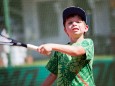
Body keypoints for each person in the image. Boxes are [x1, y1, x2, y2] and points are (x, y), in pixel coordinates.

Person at [37, 6, 95, 86]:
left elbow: (76, 51)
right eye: (70, 23)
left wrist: (51, 45)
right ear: (65, 30)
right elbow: (53, 75)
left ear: (86, 28)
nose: (74, 24)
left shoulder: (88, 43)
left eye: (78, 22)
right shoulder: (60, 51)